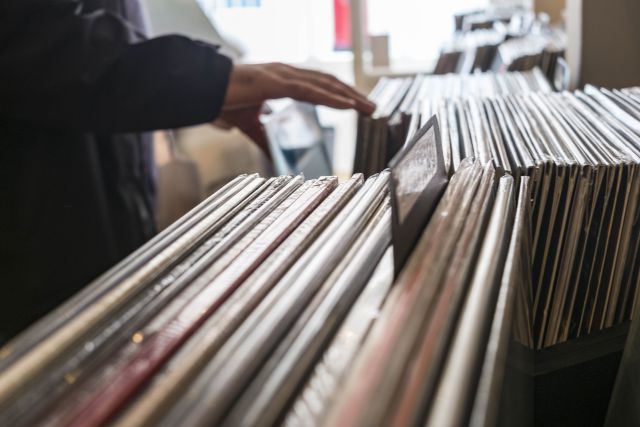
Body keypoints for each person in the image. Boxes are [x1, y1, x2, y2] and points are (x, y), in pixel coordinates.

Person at [0, 0, 375, 342]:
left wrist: (190, 96)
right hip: (35, 253)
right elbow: (31, 40)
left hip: (100, 218)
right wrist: (210, 83)